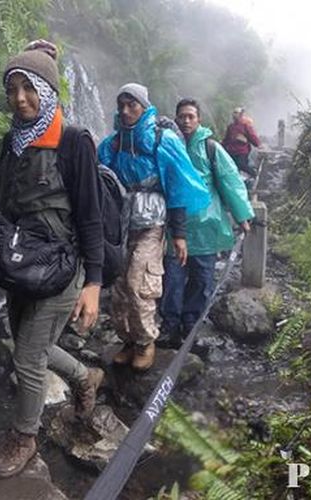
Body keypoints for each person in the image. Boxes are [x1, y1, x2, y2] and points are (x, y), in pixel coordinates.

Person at [0, 40, 104, 479]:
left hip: (60, 269)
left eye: (30, 88)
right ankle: (85, 378)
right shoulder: (13, 140)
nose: (20, 98)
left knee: (26, 357)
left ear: (49, 90)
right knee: (30, 345)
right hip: (20, 264)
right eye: (13, 88)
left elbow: (91, 216)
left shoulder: (74, 141)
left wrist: (93, 284)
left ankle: (25, 435)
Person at [97, 83, 210, 371]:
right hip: (121, 223)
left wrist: (180, 235)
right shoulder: (113, 143)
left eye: (131, 105)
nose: (125, 111)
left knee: (139, 281)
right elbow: (100, 178)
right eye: (121, 105)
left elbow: (178, 188)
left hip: (152, 224)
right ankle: (128, 339)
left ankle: (146, 341)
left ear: (144, 106)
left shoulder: (163, 141)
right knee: (120, 284)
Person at [158, 98, 255, 348]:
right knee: (172, 279)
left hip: (206, 226)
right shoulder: (169, 145)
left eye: (191, 116)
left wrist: (242, 215)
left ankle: (191, 323)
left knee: (202, 280)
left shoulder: (211, 148)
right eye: (182, 116)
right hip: (175, 228)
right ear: (177, 119)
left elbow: (230, 181)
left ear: (199, 119)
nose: (186, 121)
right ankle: (170, 325)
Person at [222, 107, 262, 189]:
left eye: (236, 113)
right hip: (231, 151)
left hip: (242, 151)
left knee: (241, 164)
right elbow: (227, 139)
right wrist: (221, 145)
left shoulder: (245, 126)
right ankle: (238, 185)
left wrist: (258, 144)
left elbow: (252, 136)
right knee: (233, 168)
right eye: (234, 113)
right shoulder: (231, 127)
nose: (234, 115)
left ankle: (253, 173)